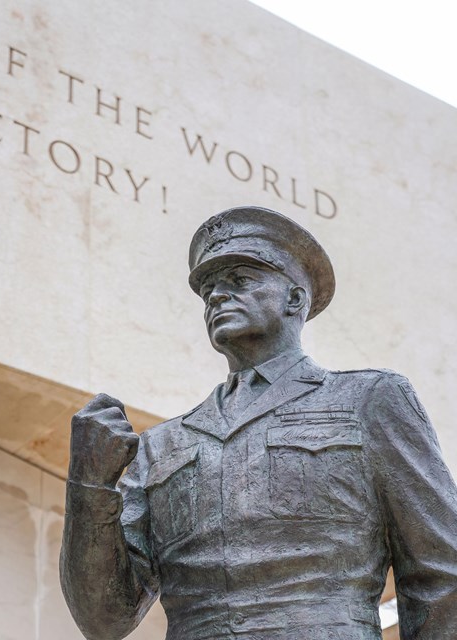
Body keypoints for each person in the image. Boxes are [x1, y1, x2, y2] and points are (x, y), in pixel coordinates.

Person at [60, 206, 457, 640]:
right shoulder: (159, 446)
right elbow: (104, 620)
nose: (215, 296)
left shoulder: (370, 400)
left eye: (240, 281)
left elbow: (440, 574)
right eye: (208, 287)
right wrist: (90, 485)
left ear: (295, 299)